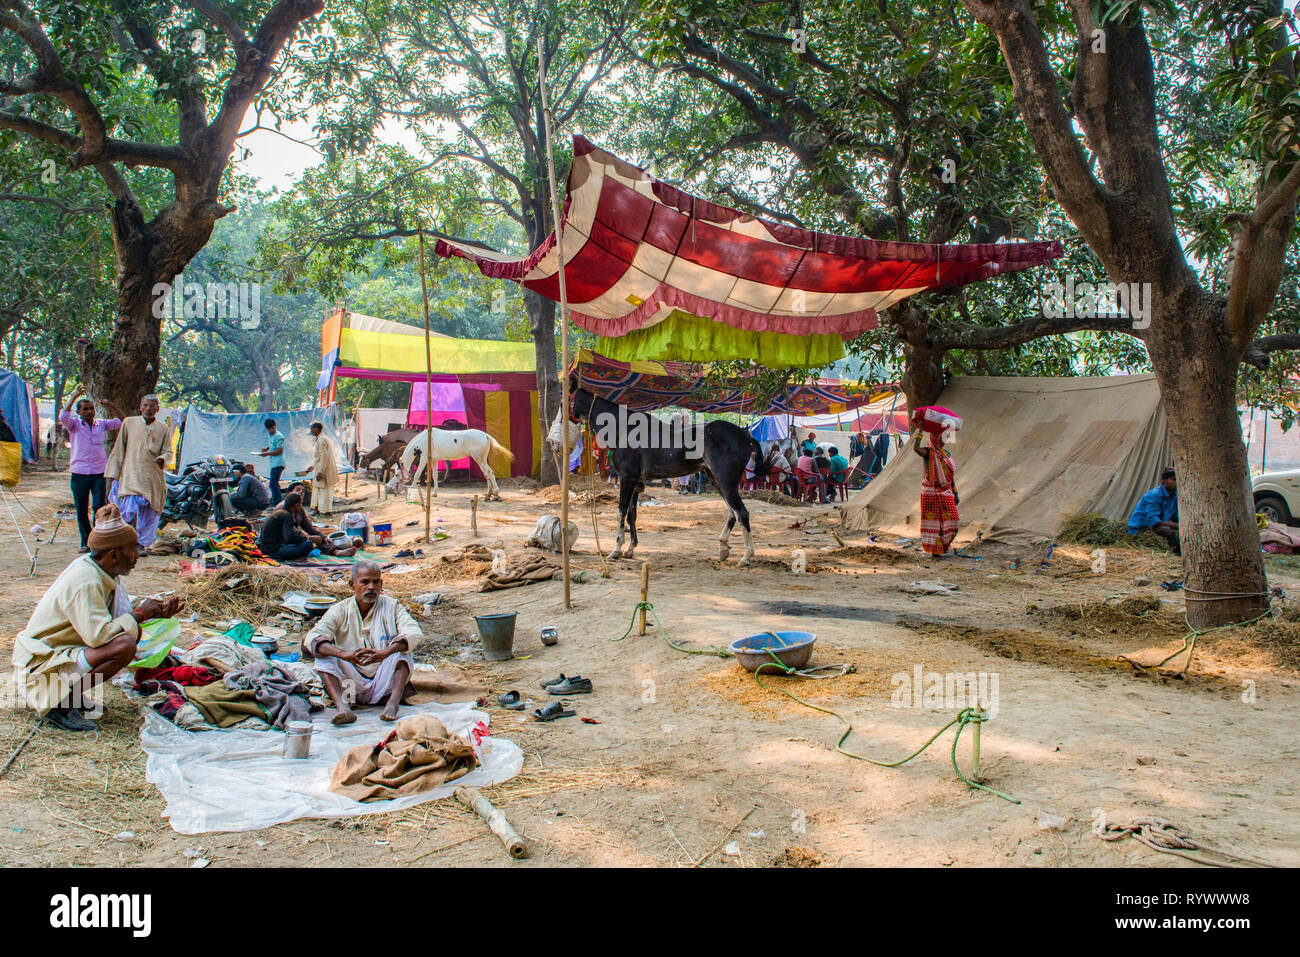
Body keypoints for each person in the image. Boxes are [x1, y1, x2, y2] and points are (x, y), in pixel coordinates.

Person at [11, 505, 184, 731]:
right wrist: (140, 614)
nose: (137, 555)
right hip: (41, 663)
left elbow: (118, 618)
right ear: (113, 554)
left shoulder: (103, 572)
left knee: (123, 642)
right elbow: (99, 636)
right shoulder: (86, 580)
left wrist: (156, 614)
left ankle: (68, 697)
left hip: (58, 654)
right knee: (123, 647)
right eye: (133, 548)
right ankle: (59, 707)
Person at [304, 560, 421, 724]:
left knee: (403, 649)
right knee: (323, 654)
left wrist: (385, 653)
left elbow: (414, 632)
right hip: (350, 687)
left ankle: (393, 703)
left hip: (383, 683)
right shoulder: (340, 609)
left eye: (375, 582)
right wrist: (344, 655)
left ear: (381, 584)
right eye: (365, 582)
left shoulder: (392, 606)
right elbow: (313, 637)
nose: (371, 587)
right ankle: (343, 707)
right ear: (352, 584)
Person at [58, 386, 125, 552]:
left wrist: (110, 405)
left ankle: (98, 539)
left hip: (98, 473)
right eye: (85, 409)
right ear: (79, 412)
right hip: (79, 473)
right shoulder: (73, 425)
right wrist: (74, 396)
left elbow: (123, 420)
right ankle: (85, 541)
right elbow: (63, 415)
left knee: (98, 507)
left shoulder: (101, 424)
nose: (89, 411)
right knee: (81, 509)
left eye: (91, 408)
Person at [105, 394, 170, 549]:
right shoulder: (129, 423)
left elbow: (168, 451)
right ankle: (123, 542)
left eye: (152, 406)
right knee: (126, 511)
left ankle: (142, 544)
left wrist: (163, 458)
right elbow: (119, 448)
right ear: (140, 407)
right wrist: (114, 474)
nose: (148, 409)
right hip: (131, 475)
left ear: (157, 409)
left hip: (151, 477)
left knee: (149, 512)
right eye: (145, 405)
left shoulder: (163, 428)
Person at [258, 491, 356, 561]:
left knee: (317, 538)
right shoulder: (284, 513)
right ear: (296, 504)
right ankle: (295, 556)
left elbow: (308, 527)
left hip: (285, 542)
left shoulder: (297, 511)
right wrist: (308, 538)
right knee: (308, 543)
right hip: (275, 550)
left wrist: (322, 536)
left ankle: (335, 551)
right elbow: (289, 537)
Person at [913, 430, 959, 557]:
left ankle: (943, 547)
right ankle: (936, 550)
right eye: (941, 438)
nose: (944, 441)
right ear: (935, 439)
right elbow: (916, 449)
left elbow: (950, 476)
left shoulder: (946, 454)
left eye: (944, 438)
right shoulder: (929, 452)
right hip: (931, 492)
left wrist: (955, 492)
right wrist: (920, 432)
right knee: (934, 522)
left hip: (945, 490)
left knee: (953, 520)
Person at [1128, 466, 1179, 554]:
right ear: (1164, 481)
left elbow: (1176, 517)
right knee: (1170, 533)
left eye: (1178, 479)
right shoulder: (1154, 495)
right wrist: (1176, 525)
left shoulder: (1174, 496)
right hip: (1142, 528)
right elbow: (1153, 521)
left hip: (1158, 525)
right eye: (1173, 479)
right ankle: (1178, 556)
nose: (1176, 482)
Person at [297, 421, 340, 516]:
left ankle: (324, 510)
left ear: (317, 429)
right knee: (317, 490)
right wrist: (313, 466)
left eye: (312, 428)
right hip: (320, 467)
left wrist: (320, 471)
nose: (311, 430)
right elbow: (320, 457)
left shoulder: (321, 440)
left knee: (324, 490)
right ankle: (318, 509)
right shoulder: (321, 439)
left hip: (323, 469)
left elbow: (324, 456)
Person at [254, 418, 286, 506]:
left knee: (273, 483)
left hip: (278, 463)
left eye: (272, 428)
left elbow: (280, 450)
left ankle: (277, 502)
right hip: (273, 463)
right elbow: (273, 445)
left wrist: (267, 453)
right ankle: (277, 500)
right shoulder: (270, 435)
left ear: (275, 426)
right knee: (274, 483)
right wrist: (266, 448)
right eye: (269, 429)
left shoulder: (279, 436)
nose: (270, 430)